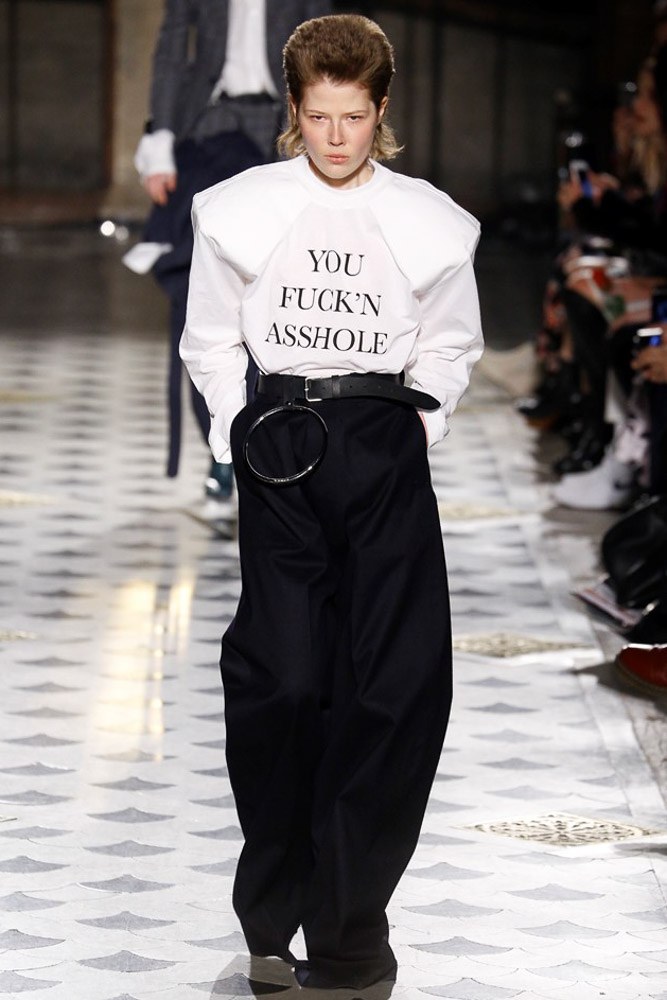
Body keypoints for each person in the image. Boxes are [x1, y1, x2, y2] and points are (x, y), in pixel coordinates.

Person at [180, 13, 483, 991]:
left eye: (353, 116)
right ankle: (273, 912)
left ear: (380, 108)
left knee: (394, 685)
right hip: (281, 441)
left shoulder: (430, 219)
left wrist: (417, 425)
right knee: (281, 680)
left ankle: (350, 930)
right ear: (294, 109)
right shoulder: (240, 208)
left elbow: (451, 339)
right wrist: (236, 429)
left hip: (381, 438)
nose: (336, 137)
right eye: (318, 117)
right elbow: (209, 336)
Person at [124, 0, 330, 503]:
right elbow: (174, 43)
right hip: (208, 119)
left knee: (279, 299)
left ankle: (271, 440)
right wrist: (161, 137)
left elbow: (324, 43)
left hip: (284, 127)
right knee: (200, 297)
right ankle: (224, 445)